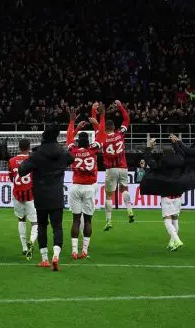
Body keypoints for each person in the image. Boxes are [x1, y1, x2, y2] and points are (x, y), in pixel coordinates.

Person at [19, 124, 74, 271]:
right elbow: (71, 159)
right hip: (56, 195)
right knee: (57, 227)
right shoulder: (62, 151)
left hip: (41, 196)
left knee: (42, 226)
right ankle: (56, 255)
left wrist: (29, 160)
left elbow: (21, 171)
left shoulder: (37, 153)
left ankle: (44, 259)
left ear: (44, 136)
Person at [141, 138, 195, 251]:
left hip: (166, 193)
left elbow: (149, 161)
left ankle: (177, 240)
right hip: (178, 193)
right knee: (175, 218)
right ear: (174, 152)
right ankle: (172, 243)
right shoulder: (180, 160)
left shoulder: (161, 163)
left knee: (167, 218)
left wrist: (149, 148)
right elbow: (181, 153)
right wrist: (175, 143)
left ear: (163, 154)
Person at [67, 106, 105, 260]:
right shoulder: (93, 149)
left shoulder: (73, 150)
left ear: (78, 142)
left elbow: (69, 137)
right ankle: (84, 251)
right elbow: (101, 135)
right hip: (89, 187)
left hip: (75, 187)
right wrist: (100, 118)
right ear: (89, 141)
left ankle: (74, 251)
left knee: (76, 219)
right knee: (88, 220)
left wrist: (72, 123)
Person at [90, 100, 134, 229]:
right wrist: (120, 106)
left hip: (110, 169)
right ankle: (129, 210)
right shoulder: (120, 133)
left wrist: (94, 109)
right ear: (114, 127)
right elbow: (126, 119)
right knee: (124, 189)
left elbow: (94, 123)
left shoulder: (101, 135)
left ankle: (109, 221)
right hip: (123, 168)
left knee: (109, 195)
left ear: (105, 128)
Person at [8, 138, 38, 259]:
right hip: (30, 194)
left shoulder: (11, 161)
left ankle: (24, 247)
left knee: (21, 219)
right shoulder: (33, 160)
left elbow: (11, 177)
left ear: (19, 148)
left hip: (17, 194)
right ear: (29, 147)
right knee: (35, 222)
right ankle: (31, 241)